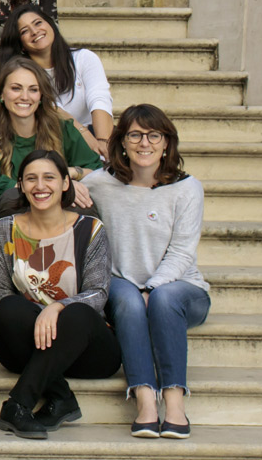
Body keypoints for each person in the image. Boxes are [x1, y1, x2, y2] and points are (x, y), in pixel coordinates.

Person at [85, 105, 209, 440]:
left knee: (163, 299)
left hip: (181, 288)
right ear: (122, 142)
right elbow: (63, 193)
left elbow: (182, 252)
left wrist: (151, 289)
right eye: (135, 135)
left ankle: (174, 402)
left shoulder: (187, 188)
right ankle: (144, 401)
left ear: (166, 143)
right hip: (122, 282)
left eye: (154, 135)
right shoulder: (99, 183)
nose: (145, 143)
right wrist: (72, 180)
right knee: (128, 300)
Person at [0, 150, 121, 440]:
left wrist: (56, 308)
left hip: (86, 349)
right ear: (21, 185)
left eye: (49, 177)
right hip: (29, 342)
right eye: (31, 179)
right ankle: (61, 398)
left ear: (64, 183)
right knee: (9, 308)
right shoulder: (5, 229)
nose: (40, 186)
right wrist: (38, 317)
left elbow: (98, 293)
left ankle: (18, 404)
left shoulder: (90, 229)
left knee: (78, 313)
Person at [0, 59, 105, 208]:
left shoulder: (63, 129)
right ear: (1, 94)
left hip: (60, 211)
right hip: (14, 211)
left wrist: (71, 173)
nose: (25, 96)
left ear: (41, 96)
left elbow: (96, 171)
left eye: (33, 90)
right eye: (16, 88)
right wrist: (50, 189)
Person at [0, 7, 109, 151]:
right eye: (25, 31)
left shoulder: (84, 58)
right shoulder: (24, 74)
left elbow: (100, 99)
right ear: (21, 45)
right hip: (49, 139)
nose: (35, 31)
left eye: (38, 23)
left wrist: (103, 142)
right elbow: (54, 108)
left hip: (93, 132)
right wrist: (83, 133)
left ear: (51, 25)